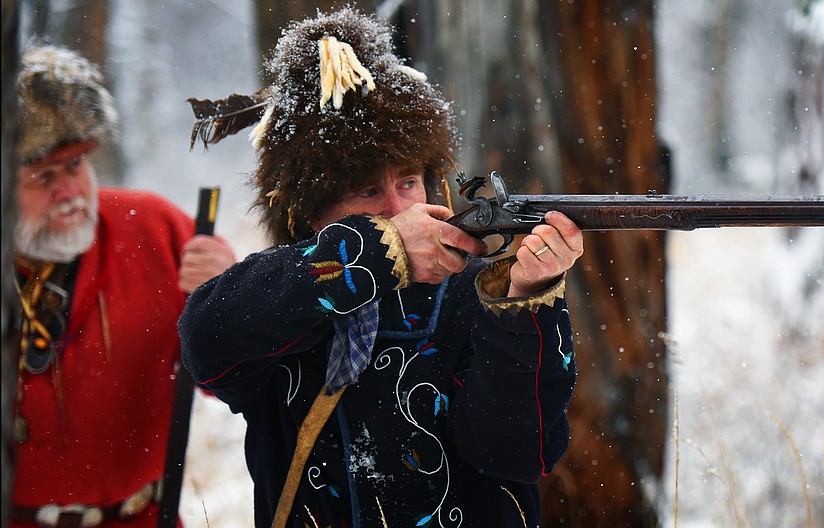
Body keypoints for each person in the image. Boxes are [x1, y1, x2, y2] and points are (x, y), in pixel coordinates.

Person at [179, 8, 583, 528]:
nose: (399, 210)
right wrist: (380, 250)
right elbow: (206, 340)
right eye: (368, 191)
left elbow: (521, 454)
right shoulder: (284, 295)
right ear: (308, 210)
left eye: (408, 181)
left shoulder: (475, 293)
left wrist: (524, 301)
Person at [8, 45, 237, 528]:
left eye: (75, 167)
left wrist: (227, 297)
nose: (69, 191)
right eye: (44, 176)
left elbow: (241, 376)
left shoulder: (153, 228)